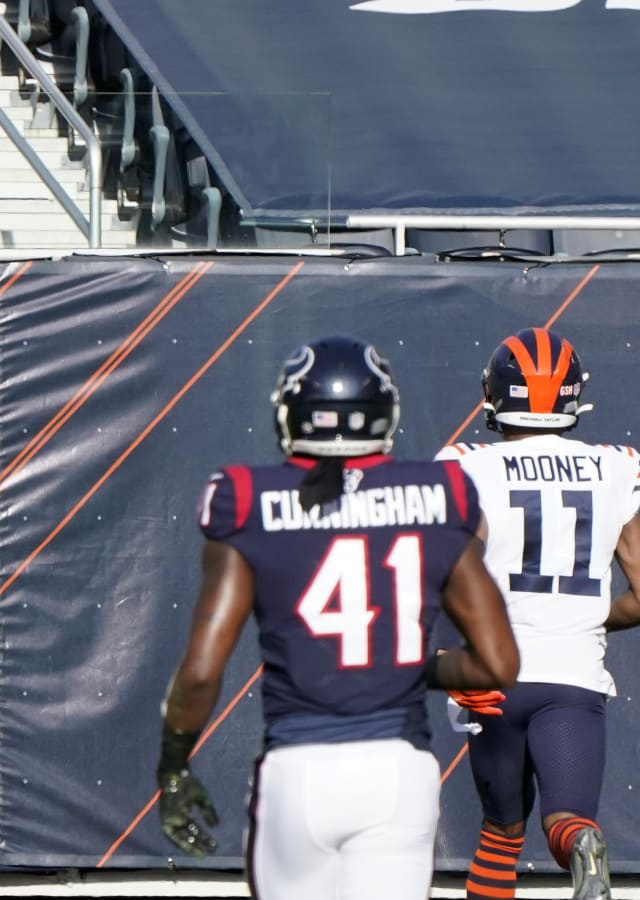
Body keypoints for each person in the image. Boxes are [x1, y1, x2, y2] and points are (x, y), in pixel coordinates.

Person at [157, 335, 519, 900]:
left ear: (290, 414)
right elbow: (497, 660)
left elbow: (202, 670)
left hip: (300, 771)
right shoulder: (438, 492)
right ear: (386, 414)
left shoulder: (248, 497)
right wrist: (407, 669)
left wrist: (173, 765)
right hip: (399, 775)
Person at [435, 327, 640, 900]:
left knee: (501, 830)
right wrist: (590, 617)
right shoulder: (617, 466)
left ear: (496, 394)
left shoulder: (468, 463)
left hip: (496, 671)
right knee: (567, 818)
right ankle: (582, 849)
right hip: (573, 672)